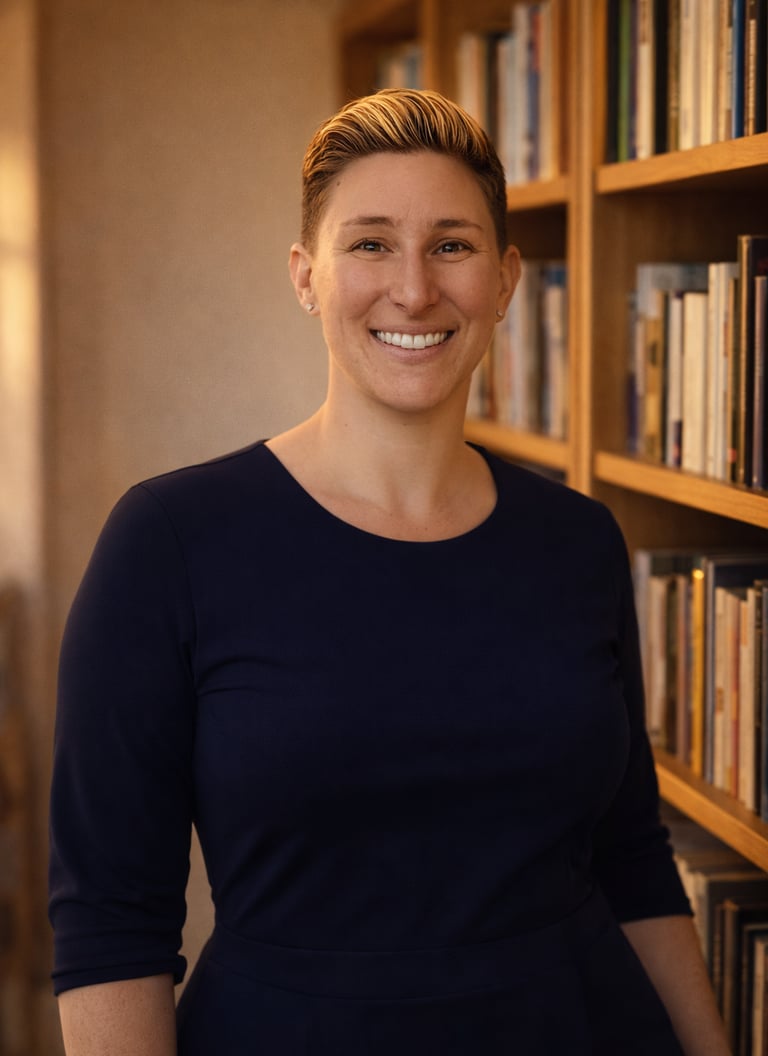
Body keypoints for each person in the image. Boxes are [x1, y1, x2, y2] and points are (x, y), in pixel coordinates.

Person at [49, 88, 731, 1055]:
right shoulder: (168, 540)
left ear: (504, 280)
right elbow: (111, 921)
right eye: (369, 244)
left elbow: (629, 859)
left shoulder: (581, 539)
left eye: (451, 245)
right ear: (305, 276)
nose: (413, 290)